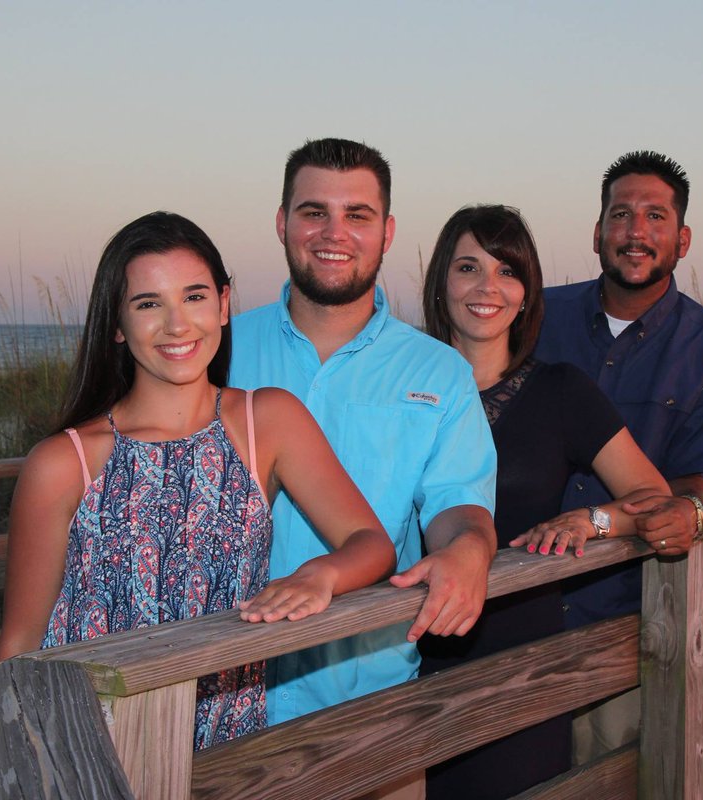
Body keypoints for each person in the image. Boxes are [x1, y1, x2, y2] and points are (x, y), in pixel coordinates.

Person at [0, 212, 395, 798]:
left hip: (222, 751)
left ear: (223, 304)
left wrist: (321, 574)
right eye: (148, 303)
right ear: (116, 324)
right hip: (84, 754)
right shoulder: (64, 462)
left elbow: (371, 544)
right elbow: (18, 651)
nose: (177, 324)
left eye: (194, 296)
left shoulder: (266, 422)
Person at [228, 140, 497, 753]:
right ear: (282, 222)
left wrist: (470, 550)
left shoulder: (438, 372)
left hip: (371, 705)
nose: (334, 233)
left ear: (387, 232)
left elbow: (458, 502)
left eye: (357, 215)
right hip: (218, 695)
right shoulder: (219, 351)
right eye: (314, 212)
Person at [418, 204, 689, 800]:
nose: (488, 287)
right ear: (441, 282)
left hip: (523, 662)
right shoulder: (399, 389)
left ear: (526, 295)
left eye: (507, 271)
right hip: (405, 655)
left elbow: (654, 497)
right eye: (468, 267)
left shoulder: (561, 391)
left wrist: (593, 520)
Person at [536, 151, 703, 763]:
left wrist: (611, 519)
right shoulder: (536, 316)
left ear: (682, 240)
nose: (636, 232)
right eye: (621, 214)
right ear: (597, 232)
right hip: (516, 603)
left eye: (655, 216)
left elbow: (693, 483)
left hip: (626, 613)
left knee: (609, 771)